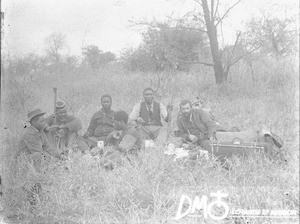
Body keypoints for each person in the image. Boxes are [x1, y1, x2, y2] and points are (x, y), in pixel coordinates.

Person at [15, 109, 65, 207]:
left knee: (46, 162)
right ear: (33, 122)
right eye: (41, 121)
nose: (44, 123)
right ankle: (34, 197)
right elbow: (38, 152)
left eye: (44, 120)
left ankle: (39, 193)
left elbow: (48, 147)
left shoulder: (40, 131)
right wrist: (54, 161)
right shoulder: (29, 133)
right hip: (24, 162)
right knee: (39, 160)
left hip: (34, 161)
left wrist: (60, 155)